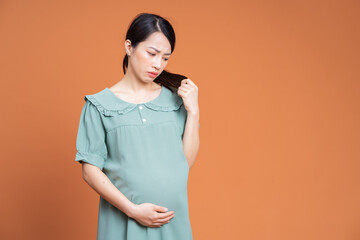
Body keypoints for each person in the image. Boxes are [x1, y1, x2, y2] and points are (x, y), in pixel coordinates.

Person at [74, 12, 200, 240]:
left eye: (165, 58)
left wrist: (194, 112)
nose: (157, 64)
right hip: (123, 222)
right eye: (152, 53)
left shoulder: (175, 101)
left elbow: (185, 163)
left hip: (173, 223)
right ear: (129, 47)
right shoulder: (99, 105)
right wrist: (133, 210)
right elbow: (90, 170)